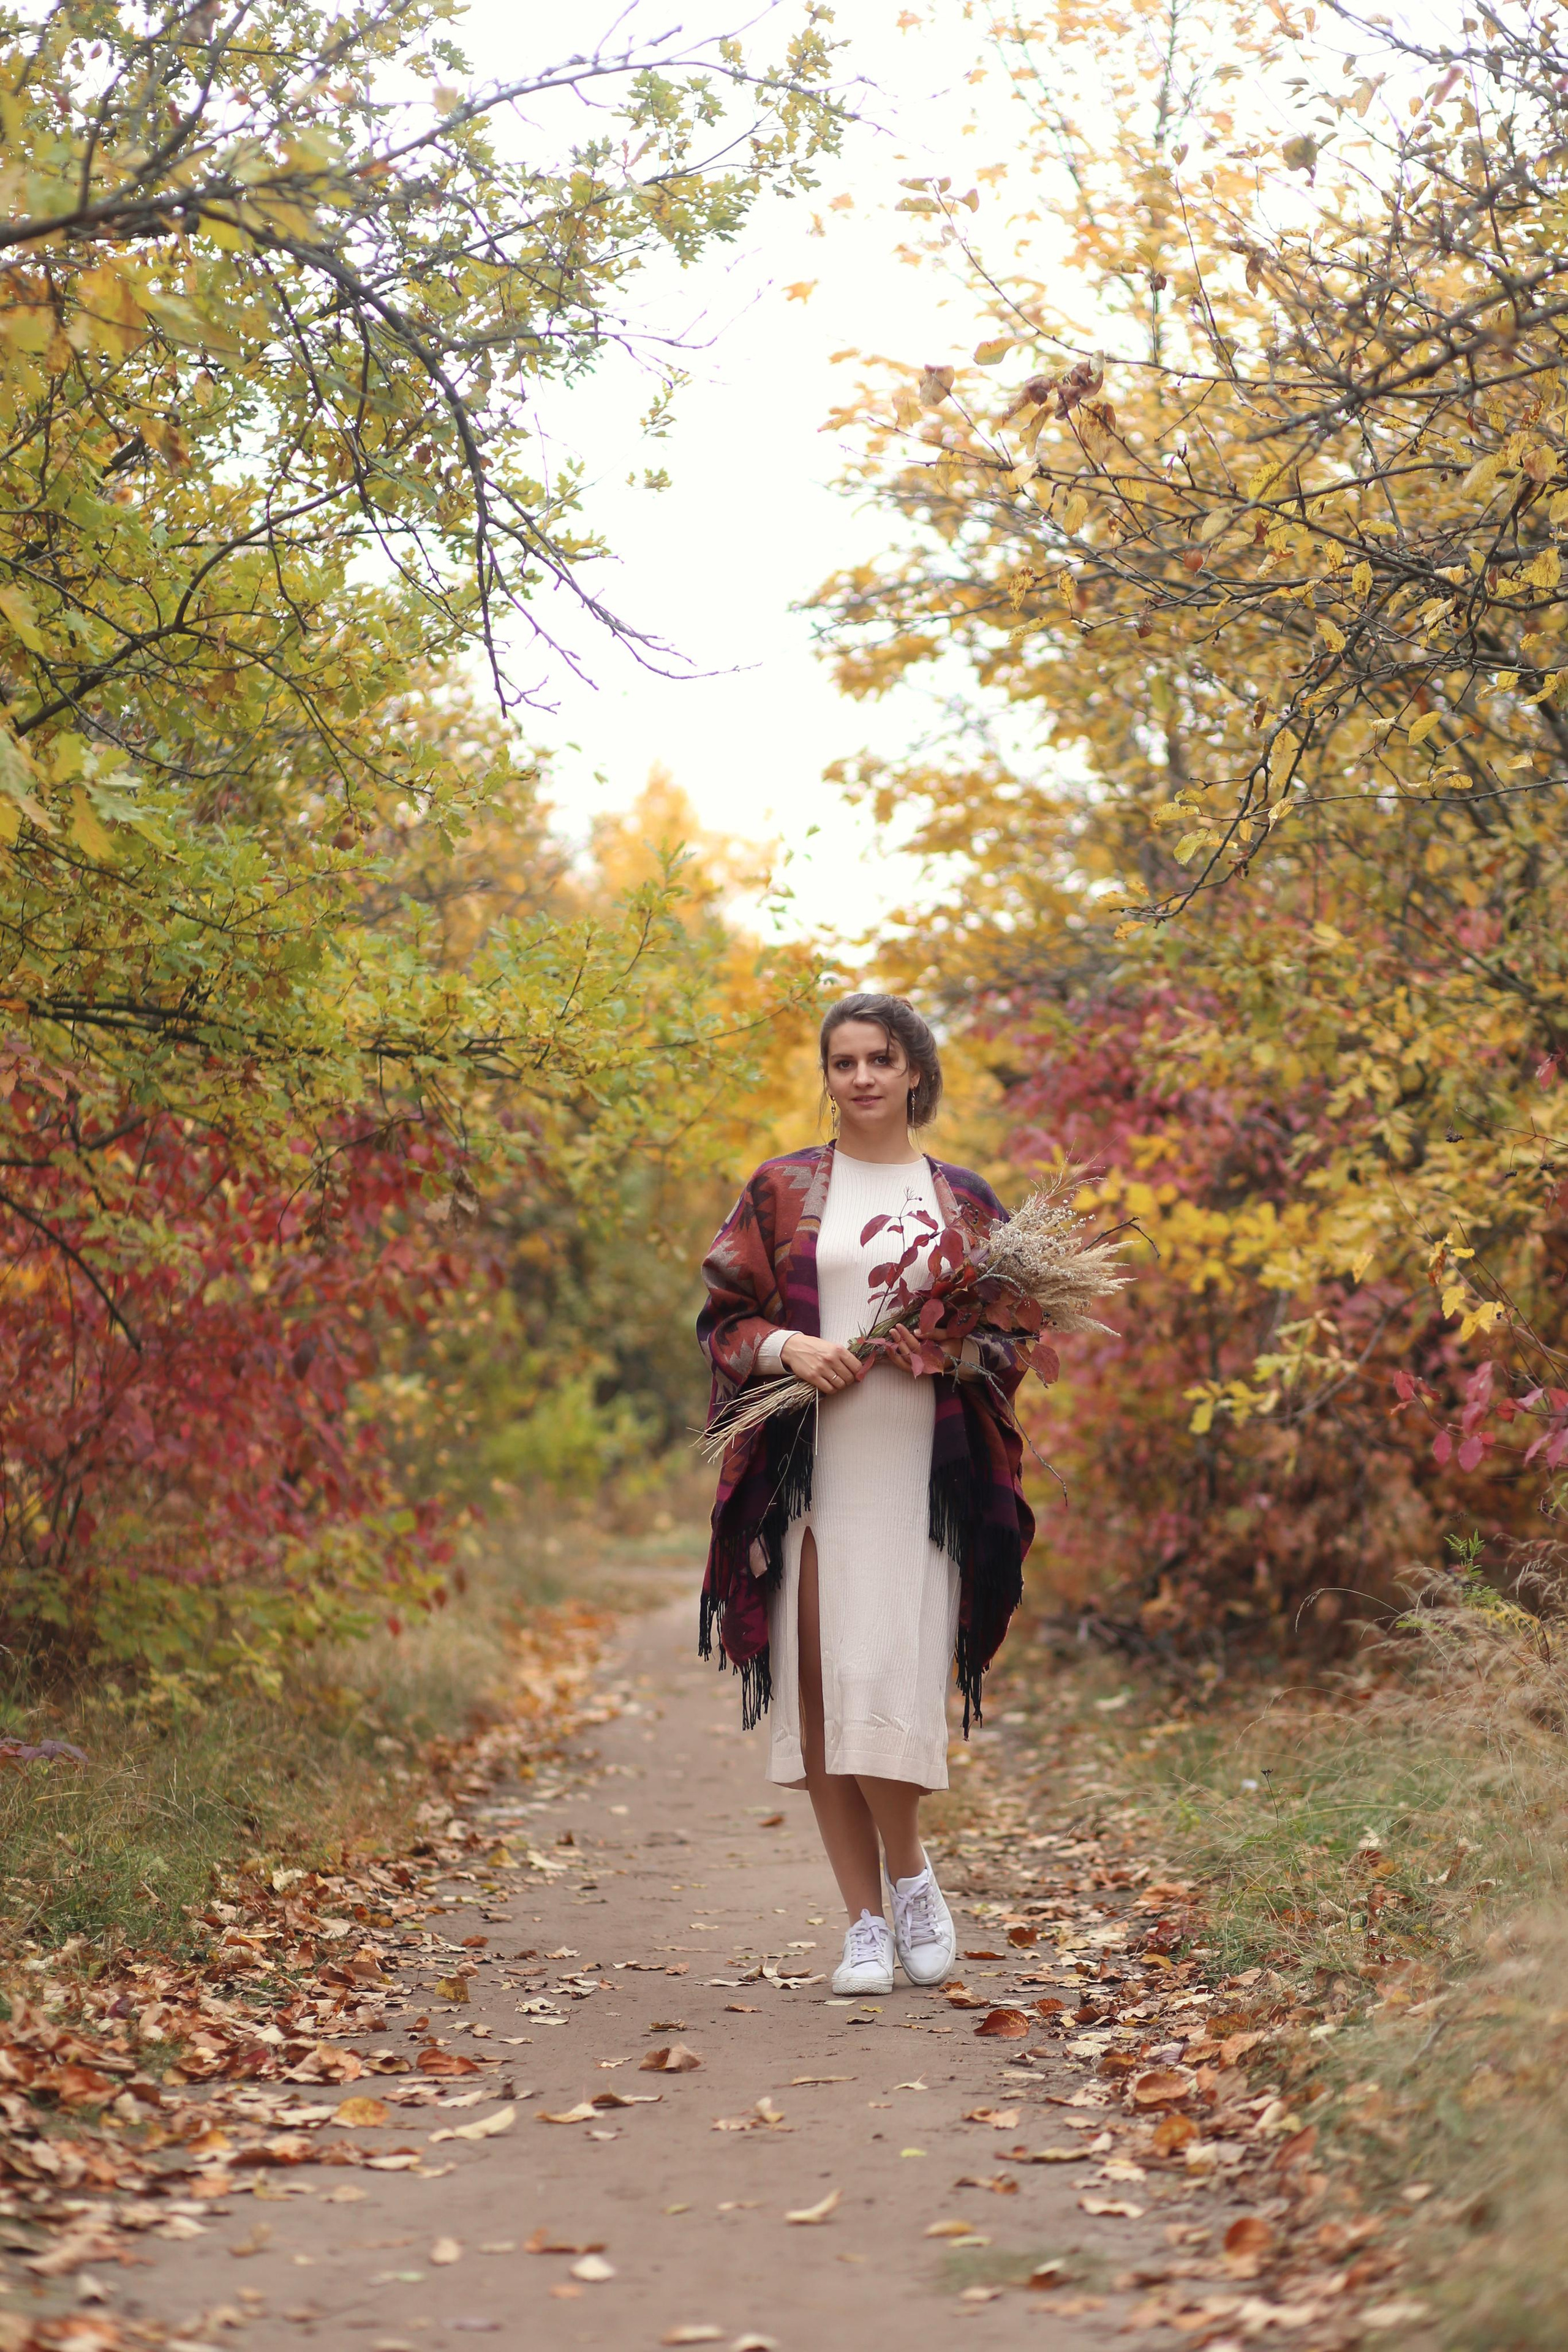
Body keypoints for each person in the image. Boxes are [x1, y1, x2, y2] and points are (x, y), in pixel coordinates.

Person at [696, 993, 1035, 1997]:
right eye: (843, 1062)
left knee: (887, 1680)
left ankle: (913, 1875)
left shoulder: (962, 1198)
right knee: (820, 1691)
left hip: (923, 1475)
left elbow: (1014, 1335)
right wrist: (785, 1346)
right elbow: (723, 1321)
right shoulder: (784, 1188)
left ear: (915, 1072)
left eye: (881, 1059)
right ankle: (862, 1925)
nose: (862, 1078)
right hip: (807, 1472)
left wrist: (950, 1346)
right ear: (828, 1075)